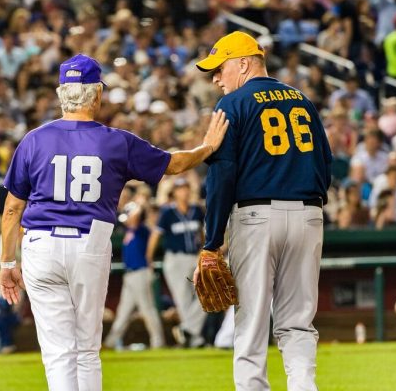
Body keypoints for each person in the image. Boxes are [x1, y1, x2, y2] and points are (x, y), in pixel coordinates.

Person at [0, 54, 228, 391]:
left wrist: (7, 261)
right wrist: (207, 147)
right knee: (87, 349)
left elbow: (11, 209)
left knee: (59, 352)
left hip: (41, 244)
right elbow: (175, 165)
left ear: (62, 92)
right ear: (98, 94)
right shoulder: (115, 141)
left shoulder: (35, 139)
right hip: (89, 243)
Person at [195, 31, 332, 390]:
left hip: (256, 217)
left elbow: (222, 174)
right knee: (298, 322)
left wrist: (211, 242)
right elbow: (326, 164)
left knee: (252, 322)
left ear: (243, 63)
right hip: (308, 214)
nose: (215, 78)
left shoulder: (233, 104)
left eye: (219, 69)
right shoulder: (302, 100)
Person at [146, 177, 206, 348]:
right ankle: (195, 339)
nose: (184, 191)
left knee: (208, 292)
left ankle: (187, 330)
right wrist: (149, 258)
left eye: (186, 188)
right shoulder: (167, 212)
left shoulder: (196, 210)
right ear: (174, 192)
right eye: (180, 189)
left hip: (194, 256)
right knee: (183, 300)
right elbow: (155, 236)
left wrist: (203, 250)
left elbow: (202, 234)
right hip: (174, 258)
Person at [103, 187, 165, 350]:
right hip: (130, 274)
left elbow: (140, 215)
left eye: (129, 217)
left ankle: (158, 342)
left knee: (148, 309)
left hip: (141, 272)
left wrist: (138, 203)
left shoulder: (142, 229)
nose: (127, 220)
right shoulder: (129, 230)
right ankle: (111, 342)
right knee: (123, 312)